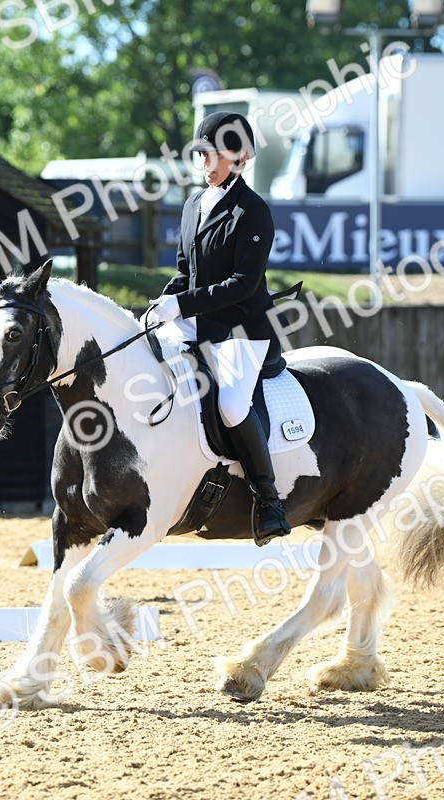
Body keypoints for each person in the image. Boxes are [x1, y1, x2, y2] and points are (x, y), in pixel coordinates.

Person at [147, 111, 291, 545]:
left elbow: (242, 285)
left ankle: (269, 502)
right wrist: (160, 305)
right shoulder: (194, 204)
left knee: (230, 406)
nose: (205, 163)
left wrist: (182, 303)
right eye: (201, 154)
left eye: (212, 155)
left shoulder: (253, 212)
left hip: (241, 332)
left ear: (239, 158)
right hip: (195, 325)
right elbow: (185, 272)